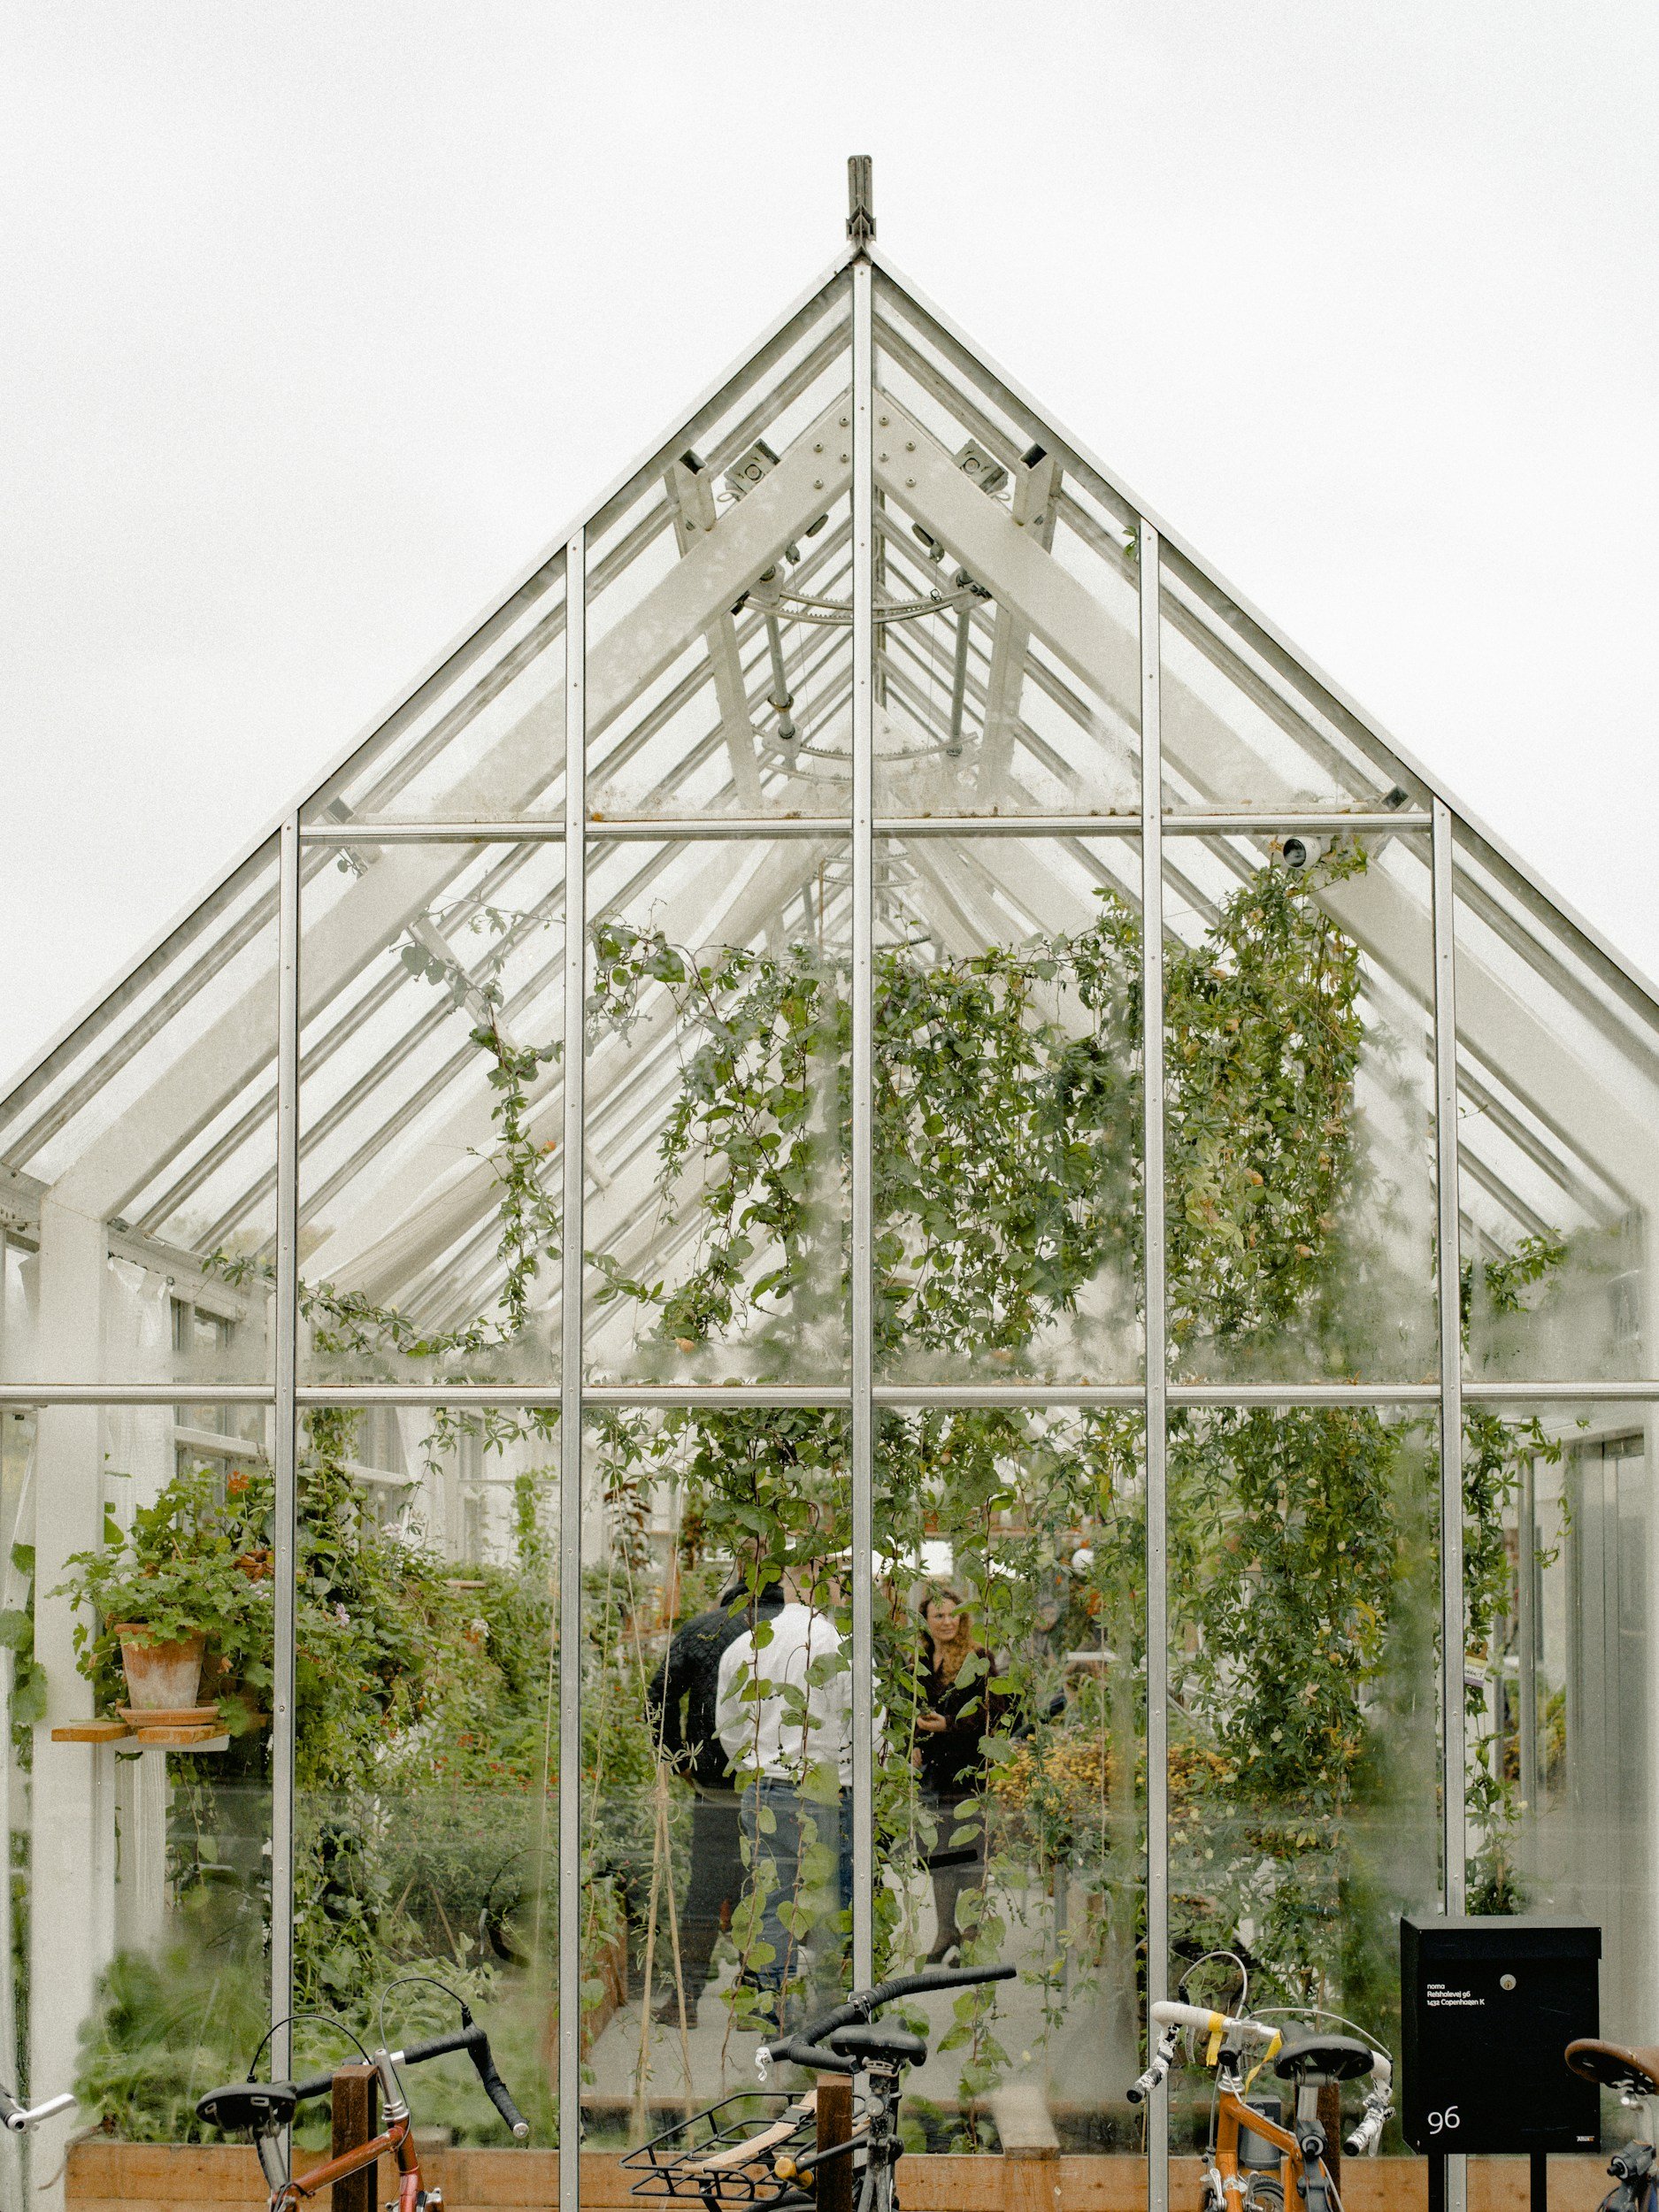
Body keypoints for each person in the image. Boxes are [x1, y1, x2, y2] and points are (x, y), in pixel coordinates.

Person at [715, 1567, 875, 2027]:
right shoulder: (841, 1646)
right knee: (829, 1902)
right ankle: (832, 2016)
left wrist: (758, 1762)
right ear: (829, 1588)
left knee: (771, 1897)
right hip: (825, 1790)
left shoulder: (745, 1646)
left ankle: (770, 2009)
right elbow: (867, 1725)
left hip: (764, 1787)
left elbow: (728, 1725)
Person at [645, 1568, 784, 2028]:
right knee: (768, 1886)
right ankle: (758, 2006)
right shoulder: (799, 1631)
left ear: (731, 1597)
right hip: (781, 1784)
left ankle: (684, 2003)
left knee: (704, 1893)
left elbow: (658, 1694)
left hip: (715, 1783)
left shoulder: (702, 1629)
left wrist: (674, 1756)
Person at [914, 1583, 1006, 1964]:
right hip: (932, 1775)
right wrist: (915, 1743)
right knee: (938, 1853)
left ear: (962, 1617)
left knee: (969, 1853)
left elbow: (995, 1715)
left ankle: (970, 1934)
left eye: (953, 1614)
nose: (947, 1621)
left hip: (968, 1772)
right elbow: (909, 1710)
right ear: (926, 1622)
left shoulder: (978, 1658)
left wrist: (948, 1725)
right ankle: (944, 1931)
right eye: (938, 1615)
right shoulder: (918, 1662)